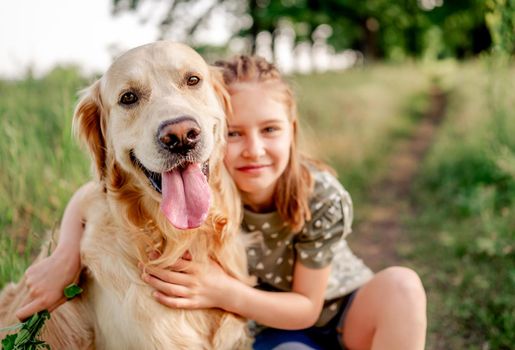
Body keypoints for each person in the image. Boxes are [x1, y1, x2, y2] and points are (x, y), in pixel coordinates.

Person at [16, 55, 427, 349]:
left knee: (403, 285)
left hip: (338, 313)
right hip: (276, 331)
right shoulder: (213, 175)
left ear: (291, 130)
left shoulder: (317, 194)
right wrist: (66, 254)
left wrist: (221, 290)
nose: (252, 150)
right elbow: (95, 192)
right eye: (234, 134)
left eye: (270, 130)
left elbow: (306, 306)